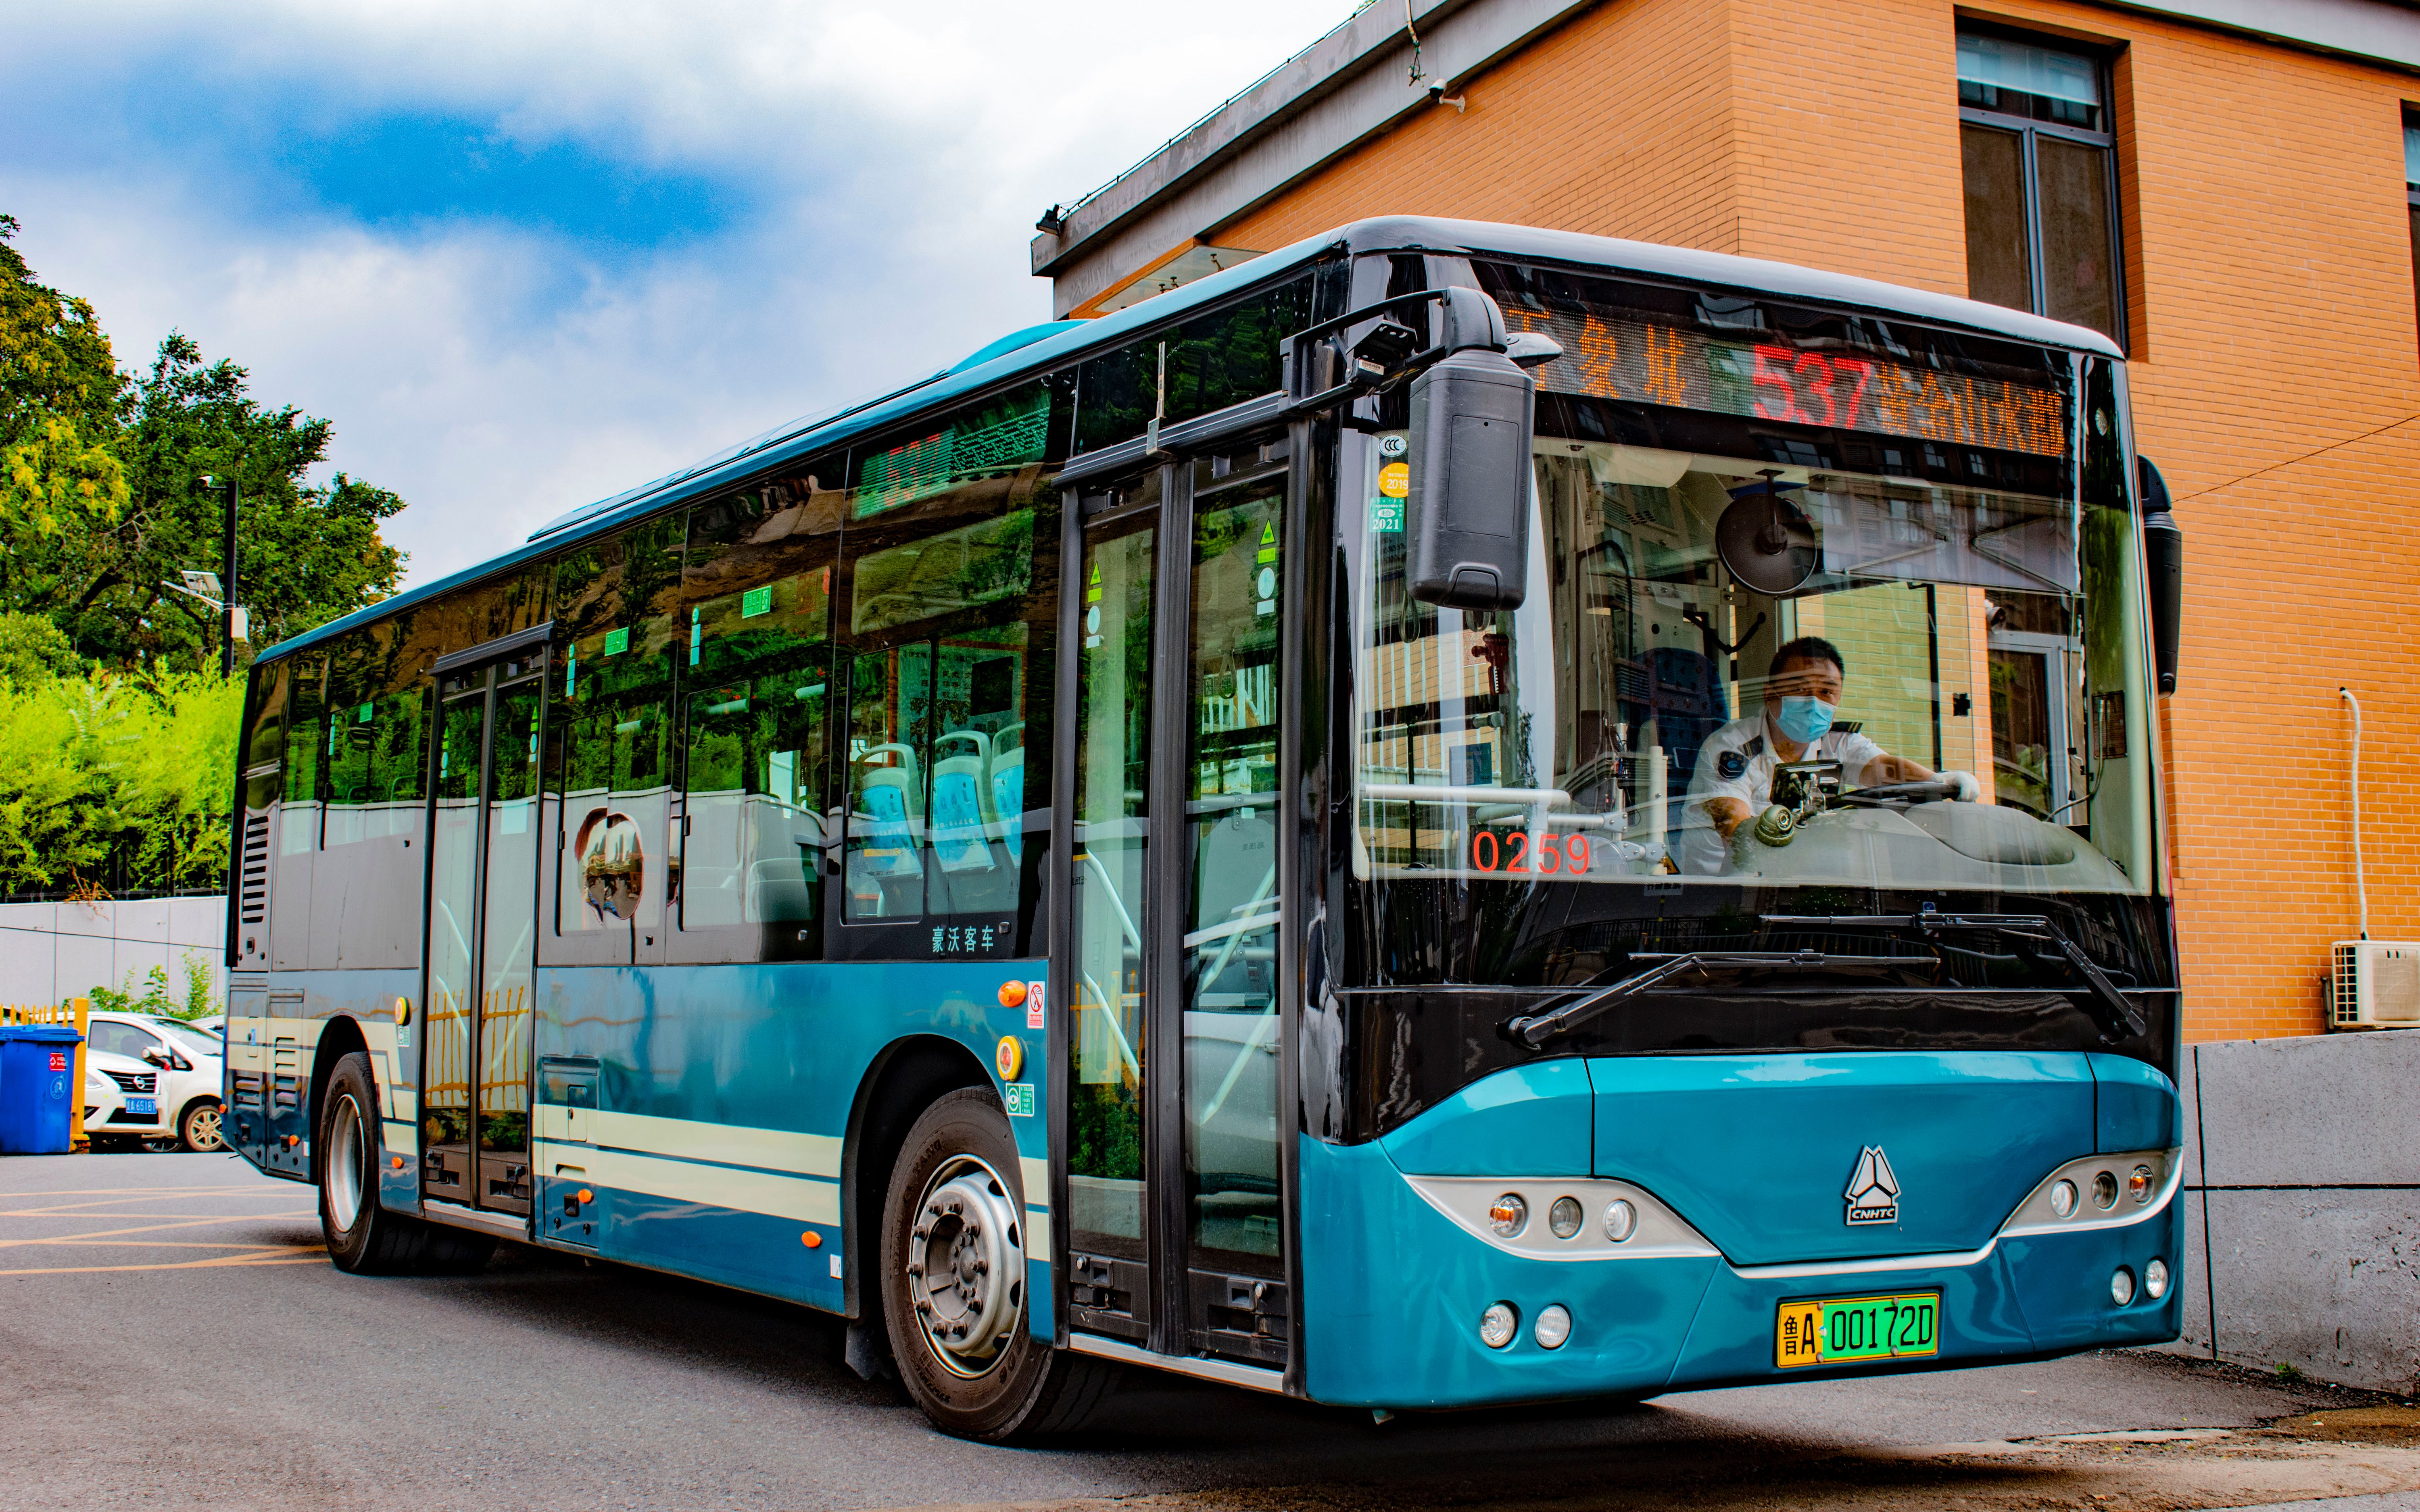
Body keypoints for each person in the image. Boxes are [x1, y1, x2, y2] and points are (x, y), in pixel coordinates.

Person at [1684, 635, 1977, 873]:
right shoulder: (1732, 748)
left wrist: (1941, 782)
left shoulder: (1838, 742)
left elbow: (1886, 769)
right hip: (1724, 887)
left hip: (1797, 878)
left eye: (1827, 692)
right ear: (1769, 693)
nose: (1814, 702)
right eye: (1800, 688)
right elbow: (1739, 837)